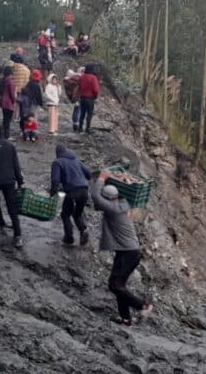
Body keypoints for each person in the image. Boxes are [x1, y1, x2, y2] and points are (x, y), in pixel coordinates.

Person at [91, 169, 152, 325]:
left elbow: (95, 196)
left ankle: (142, 305)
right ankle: (125, 318)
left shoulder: (113, 209)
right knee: (116, 285)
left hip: (129, 254)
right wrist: (123, 179)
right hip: (125, 252)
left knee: (117, 285)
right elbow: (130, 192)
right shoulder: (123, 202)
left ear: (108, 199)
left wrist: (102, 178)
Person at [50, 144, 91, 246]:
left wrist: (53, 192)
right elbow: (89, 174)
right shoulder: (76, 160)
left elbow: (55, 180)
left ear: (57, 153)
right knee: (77, 213)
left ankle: (69, 238)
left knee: (65, 214)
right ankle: (83, 230)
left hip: (72, 191)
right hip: (84, 191)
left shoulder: (57, 162)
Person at [77, 64, 100, 133]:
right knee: (89, 114)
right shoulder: (93, 78)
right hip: (90, 98)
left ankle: (80, 127)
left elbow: (79, 87)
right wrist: (95, 96)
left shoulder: (81, 77)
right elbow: (96, 89)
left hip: (82, 98)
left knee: (82, 113)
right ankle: (87, 128)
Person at [0, 66, 17, 140]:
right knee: (8, 120)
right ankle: (7, 135)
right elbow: (12, 93)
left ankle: (2, 134)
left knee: (4, 119)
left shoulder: (2, 81)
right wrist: (14, 101)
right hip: (9, 103)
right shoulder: (11, 81)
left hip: (3, 102)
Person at [64, 67, 83, 132]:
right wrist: (76, 75)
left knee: (78, 109)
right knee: (78, 109)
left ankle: (76, 123)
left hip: (78, 96)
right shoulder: (69, 80)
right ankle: (76, 123)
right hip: (76, 96)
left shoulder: (75, 79)